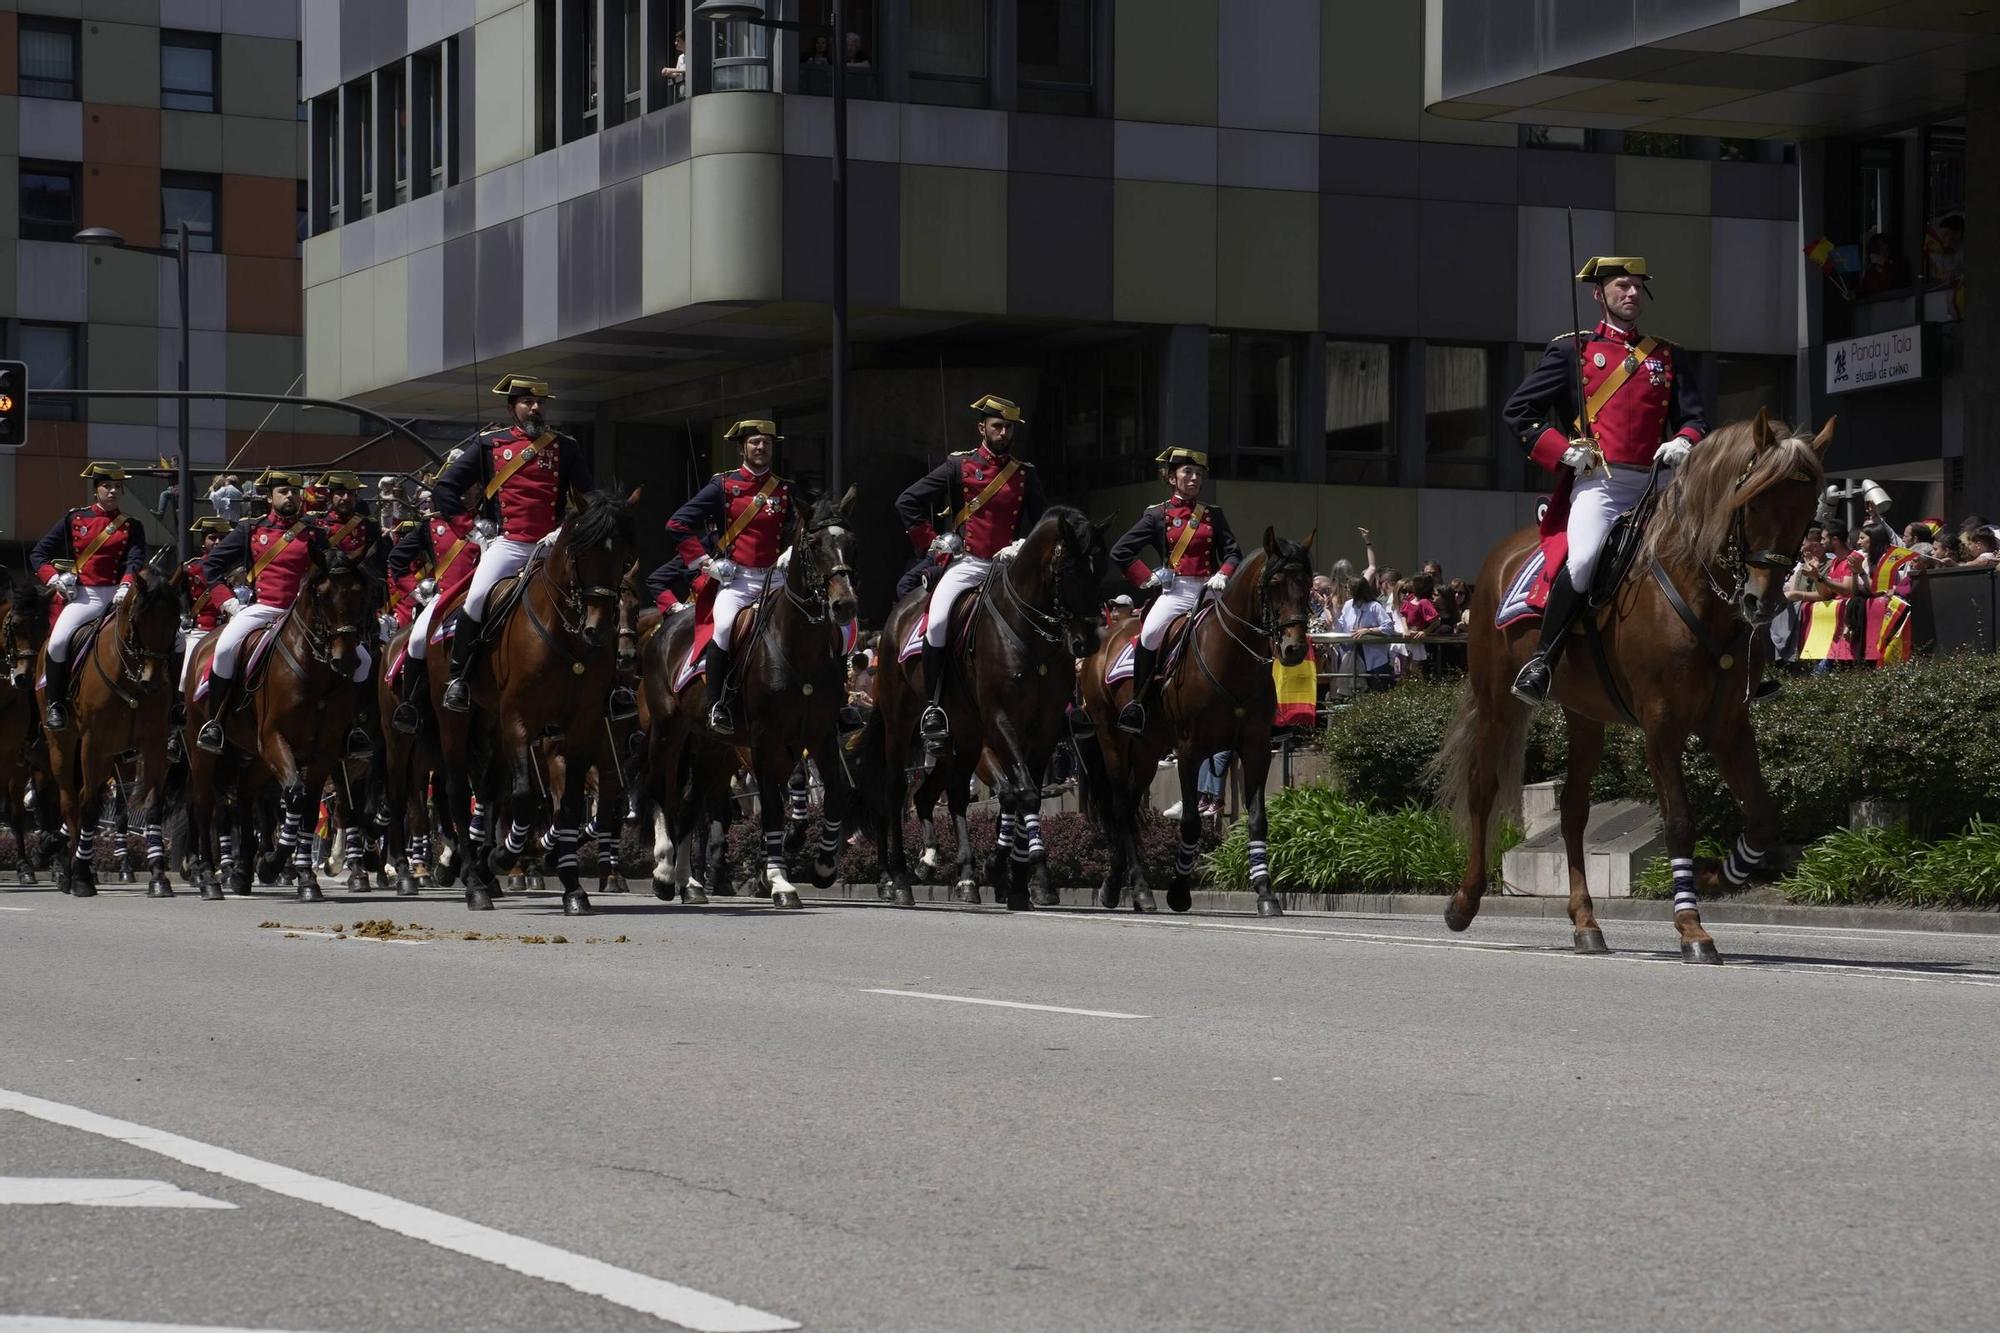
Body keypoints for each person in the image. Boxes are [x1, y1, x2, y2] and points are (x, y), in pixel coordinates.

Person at [1502, 255, 1707, 705]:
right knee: (1583, 560)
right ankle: (1543, 661)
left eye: (1637, 286)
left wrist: (1686, 441)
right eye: (1621, 286)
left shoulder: (1667, 355)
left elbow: (1694, 418)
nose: (1631, 293)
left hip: (1660, 485)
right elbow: (1519, 412)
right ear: (1600, 295)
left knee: (1716, 551)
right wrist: (1563, 450)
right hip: (1602, 484)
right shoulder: (1571, 350)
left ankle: (1748, 661)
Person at [432, 374, 593, 714]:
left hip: (552, 544)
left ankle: (606, 685)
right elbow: (445, 488)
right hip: (508, 544)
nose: (536, 408)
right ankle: (459, 679)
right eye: (527, 403)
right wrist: (472, 530)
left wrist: (566, 528)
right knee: (475, 600)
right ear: (512, 408)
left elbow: (588, 498)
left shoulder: (566, 447)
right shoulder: (489, 445)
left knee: (595, 595)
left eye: (540, 403)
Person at [895, 394, 1044, 749]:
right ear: (982, 428)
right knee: (938, 621)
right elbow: (907, 501)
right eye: (997, 426)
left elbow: (1041, 522)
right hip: (969, 564)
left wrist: (1025, 545)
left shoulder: (1024, 474)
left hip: (1008, 567)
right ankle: (934, 706)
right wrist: (933, 541)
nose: (1003, 433)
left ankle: (1060, 707)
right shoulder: (957, 467)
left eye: (1008, 428)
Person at [663, 419, 794, 733]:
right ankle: (717, 705)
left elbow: (805, 527)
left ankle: (835, 703)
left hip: (776, 579)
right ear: (742, 449)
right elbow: (676, 524)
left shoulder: (786, 489)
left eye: (766, 442)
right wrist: (706, 563)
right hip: (737, 579)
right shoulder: (722, 485)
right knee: (722, 629)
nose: (761, 447)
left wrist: (792, 550)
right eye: (754, 442)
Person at [194, 470, 333, 754]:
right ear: (270, 497)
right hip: (264, 608)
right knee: (223, 650)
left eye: (294, 491)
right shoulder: (251, 530)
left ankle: (351, 727)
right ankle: (215, 722)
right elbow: (212, 566)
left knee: (362, 659)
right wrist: (228, 602)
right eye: (283, 491)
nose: (290, 496)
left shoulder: (315, 535)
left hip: (305, 615)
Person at [1107, 446, 1240, 734]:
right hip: (1176, 593)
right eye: (1187, 472)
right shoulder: (1157, 515)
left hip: (1211, 591)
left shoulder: (1214, 515)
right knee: (1150, 636)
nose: (1194, 478)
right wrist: (1146, 578)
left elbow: (1233, 553)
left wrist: (1223, 573)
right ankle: (1138, 705)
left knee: (1246, 630)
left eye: (1198, 473)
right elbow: (1121, 550)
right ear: (1171, 477)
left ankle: (1267, 709)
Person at [29, 462, 148, 731]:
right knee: (57, 643)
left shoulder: (132, 525)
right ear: (96, 491)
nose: (113, 491)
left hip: (121, 595)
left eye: (118, 487)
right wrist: (54, 579)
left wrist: (127, 585)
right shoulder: (75, 519)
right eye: (108, 486)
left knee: (169, 640)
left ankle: (169, 709)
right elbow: (38, 553)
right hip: (87, 596)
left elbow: (135, 559)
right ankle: (56, 704)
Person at [388, 505, 480, 736]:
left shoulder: (486, 521)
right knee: (418, 640)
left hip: (481, 592)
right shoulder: (429, 527)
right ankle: (409, 703)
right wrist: (417, 591)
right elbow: (397, 559)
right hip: (445, 597)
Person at [1334, 577, 1394, 691]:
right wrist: (1332, 613)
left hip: (1374, 657)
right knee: (1356, 691)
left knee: (1378, 689)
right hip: (1353, 654)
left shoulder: (1374, 606)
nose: (1346, 590)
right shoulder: (1348, 605)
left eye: (1348, 588)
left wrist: (1367, 630)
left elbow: (1388, 627)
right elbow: (1340, 627)